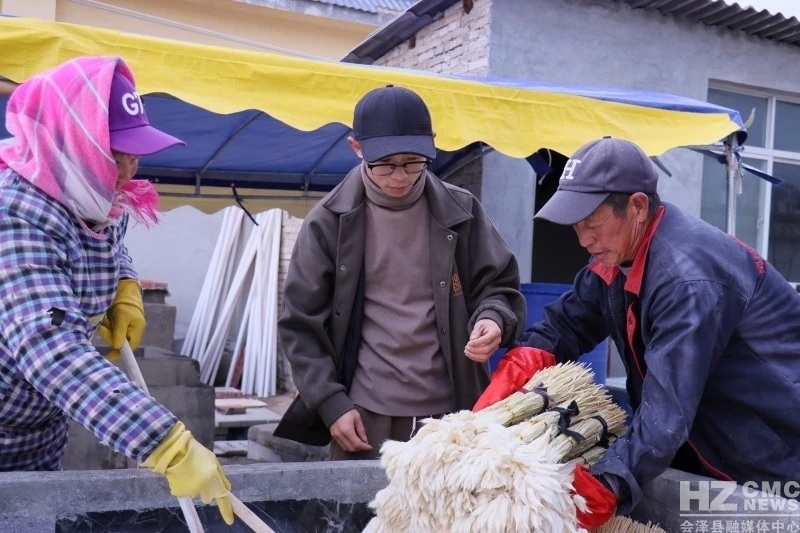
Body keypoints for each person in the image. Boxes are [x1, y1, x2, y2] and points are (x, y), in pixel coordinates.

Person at [473, 136, 800, 528]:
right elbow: (568, 322)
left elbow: (667, 409)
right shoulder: (617, 254)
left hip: (770, 451)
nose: (583, 239)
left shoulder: (687, 278)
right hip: (707, 440)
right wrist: (525, 360)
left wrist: (607, 484)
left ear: (638, 207)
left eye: (592, 224)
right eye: (576, 225)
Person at [0, 56, 233, 524]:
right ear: (70, 143)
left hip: (41, 425)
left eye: (135, 153)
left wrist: (124, 281)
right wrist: (164, 442)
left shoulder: (90, 191)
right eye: (114, 153)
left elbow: (110, 239)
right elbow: (50, 350)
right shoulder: (13, 215)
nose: (128, 170)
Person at [274, 84, 526, 459]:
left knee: (450, 516)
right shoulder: (327, 224)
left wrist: (493, 318)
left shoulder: (462, 210)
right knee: (366, 517)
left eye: (413, 162)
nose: (400, 175)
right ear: (356, 148)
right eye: (385, 164)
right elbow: (300, 325)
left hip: (455, 414)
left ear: (432, 145)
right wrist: (331, 403)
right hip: (364, 415)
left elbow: (500, 286)